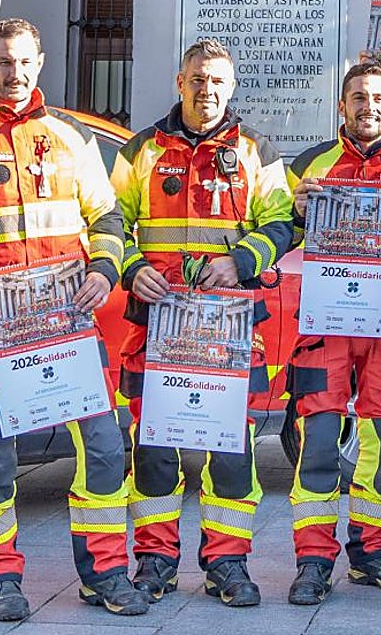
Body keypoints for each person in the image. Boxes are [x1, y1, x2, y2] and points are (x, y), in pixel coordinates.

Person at [0, 18, 149, 621]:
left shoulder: (71, 136)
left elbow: (109, 219)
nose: (14, 74)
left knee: (102, 450)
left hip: (67, 322)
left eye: (24, 62)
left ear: (40, 63)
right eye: (3, 63)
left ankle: (106, 573)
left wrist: (104, 270)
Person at [110, 39, 294, 607]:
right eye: (196, 79)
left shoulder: (256, 149)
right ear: (178, 82)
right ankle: (155, 562)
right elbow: (111, 222)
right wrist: (132, 267)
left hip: (229, 329)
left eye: (216, 81)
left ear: (231, 87)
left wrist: (239, 261)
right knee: (155, 452)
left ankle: (228, 564)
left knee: (232, 455)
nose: (205, 90)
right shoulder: (141, 150)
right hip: (157, 322)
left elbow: (283, 223)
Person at [283, 63, 381, 605]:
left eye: (378, 98)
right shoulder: (310, 164)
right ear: (341, 106)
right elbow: (279, 233)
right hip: (325, 324)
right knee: (320, 442)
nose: (367, 106)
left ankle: (372, 552)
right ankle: (312, 561)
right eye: (357, 97)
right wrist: (296, 211)